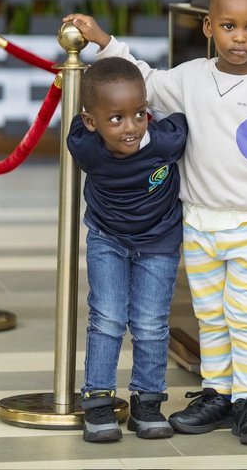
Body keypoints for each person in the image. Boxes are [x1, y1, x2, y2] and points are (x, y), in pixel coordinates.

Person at [64, 0, 247, 446]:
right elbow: (144, 82)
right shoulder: (191, 78)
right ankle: (217, 393)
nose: (240, 38)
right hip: (197, 222)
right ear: (208, 27)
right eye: (229, 25)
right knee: (212, 316)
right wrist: (104, 41)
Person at [67, 58, 188, 444]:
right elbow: (73, 126)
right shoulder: (85, 147)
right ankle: (99, 402)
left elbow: (183, 121)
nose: (131, 127)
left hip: (159, 243)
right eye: (115, 119)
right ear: (92, 122)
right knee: (107, 317)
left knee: (151, 322)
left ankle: (148, 403)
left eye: (139, 114)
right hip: (107, 239)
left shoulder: (166, 140)